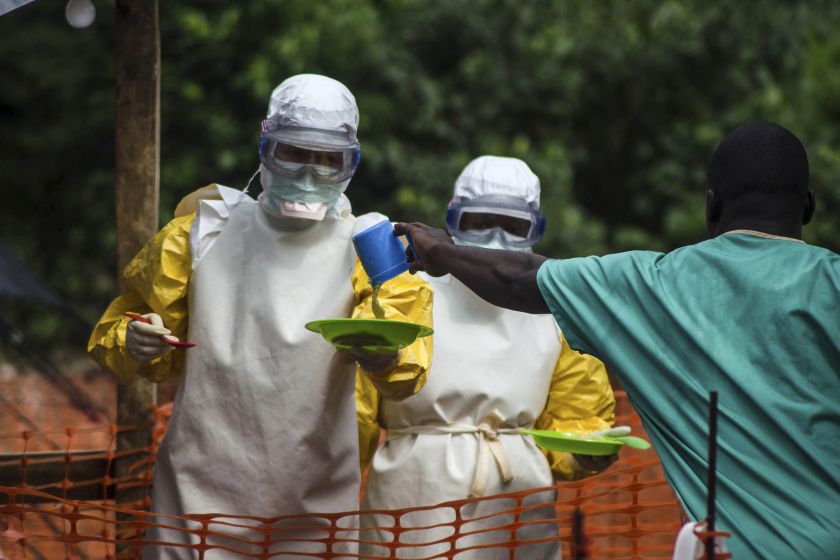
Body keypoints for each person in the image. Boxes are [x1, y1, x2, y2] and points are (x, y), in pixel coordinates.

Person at [393, 122, 840, 559]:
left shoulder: (653, 286)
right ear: (808, 207)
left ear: (711, 205)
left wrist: (439, 250)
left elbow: (520, 280)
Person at [88, 74, 433, 559]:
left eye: (328, 160)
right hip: (196, 497)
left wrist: (383, 356)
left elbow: (408, 371)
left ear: (350, 162)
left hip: (314, 503)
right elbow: (118, 331)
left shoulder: (368, 248)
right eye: (294, 153)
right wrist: (134, 338)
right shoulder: (201, 232)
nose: (310, 173)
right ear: (266, 145)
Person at [357, 156, 617, 559]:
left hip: (518, 505)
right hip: (414, 498)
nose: (496, 237)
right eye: (479, 222)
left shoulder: (554, 312)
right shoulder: (410, 290)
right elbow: (356, 411)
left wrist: (584, 451)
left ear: (536, 230)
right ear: (452, 221)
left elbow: (576, 416)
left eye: (514, 227)